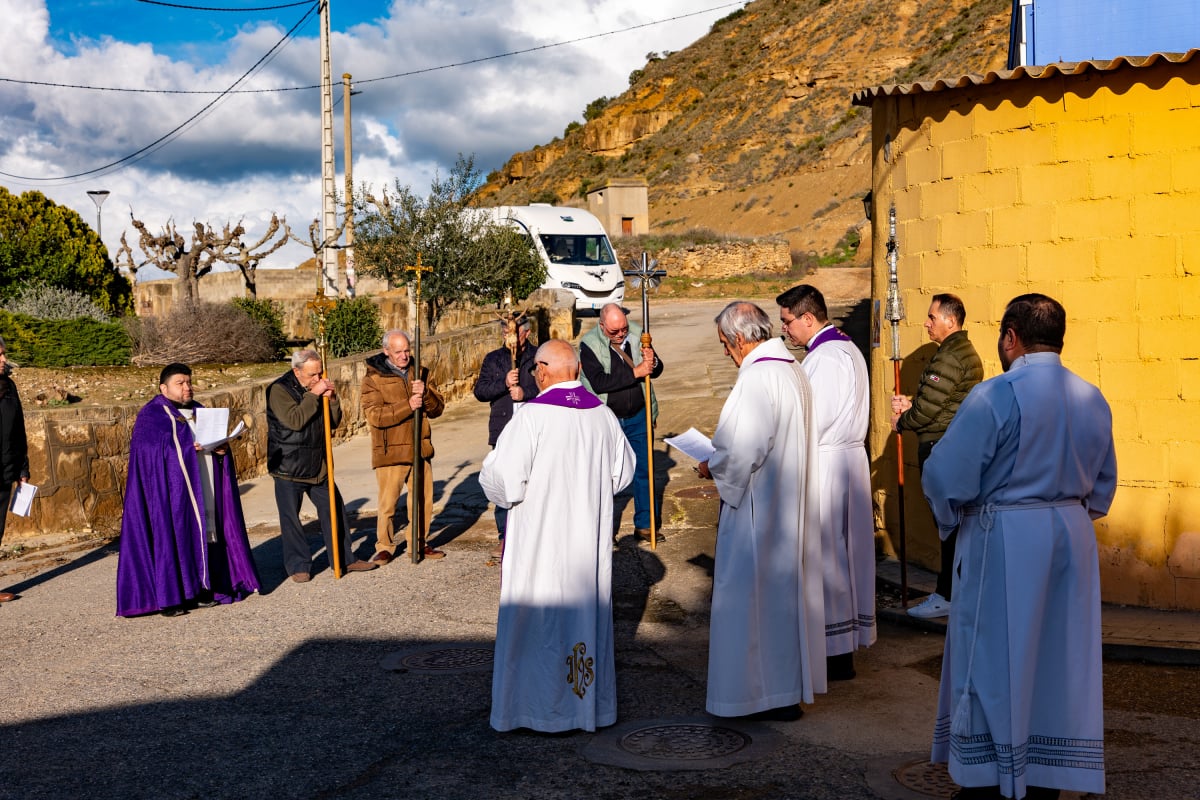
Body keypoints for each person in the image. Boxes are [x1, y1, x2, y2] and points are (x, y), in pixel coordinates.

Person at [923, 294, 1116, 800]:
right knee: (1059, 659)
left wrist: (955, 522)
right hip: (1071, 539)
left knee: (995, 656)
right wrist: (1066, 513)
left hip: (1007, 538)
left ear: (1011, 337)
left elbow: (946, 476)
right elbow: (1103, 487)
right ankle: (1045, 772)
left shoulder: (997, 395)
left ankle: (993, 778)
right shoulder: (1092, 397)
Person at [481, 339, 635, 733]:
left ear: (544, 370)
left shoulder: (532, 417)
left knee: (540, 620)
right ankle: (585, 709)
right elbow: (623, 475)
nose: (535, 375)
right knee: (581, 620)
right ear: (579, 370)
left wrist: (490, 468)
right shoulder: (602, 415)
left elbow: (505, 484)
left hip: (542, 544)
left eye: (536, 370)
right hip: (587, 544)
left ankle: (537, 710)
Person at [697, 302, 825, 719]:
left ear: (737, 339)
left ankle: (751, 697)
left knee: (747, 601)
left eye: (723, 344)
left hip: (759, 509)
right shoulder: (792, 369)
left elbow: (738, 451)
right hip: (788, 504)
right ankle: (784, 693)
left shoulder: (757, 378)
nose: (725, 353)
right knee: (780, 603)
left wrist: (710, 464)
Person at [777, 284, 874, 681]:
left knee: (830, 557)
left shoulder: (826, 358)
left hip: (829, 462)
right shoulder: (846, 348)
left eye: (787, 322)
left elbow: (814, 419)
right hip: (847, 459)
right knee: (845, 554)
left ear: (807, 317)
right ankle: (841, 644)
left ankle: (835, 651)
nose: (784, 331)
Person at [116, 363, 260, 617]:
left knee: (206, 534)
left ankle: (203, 590)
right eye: (180, 383)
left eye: (189, 382)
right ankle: (172, 598)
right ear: (164, 387)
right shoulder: (151, 416)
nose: (187, 387)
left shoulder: (200, 410)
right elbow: (148, 454)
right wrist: (184, 450)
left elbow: (212, 442)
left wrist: (221, 450)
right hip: (170, 495)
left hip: (203, 485)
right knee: (174, 538)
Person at [891, 293, 984, 619]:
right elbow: (938, 401)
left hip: (940, 447)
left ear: (950, 320)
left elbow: (929, 410)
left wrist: (903, 420)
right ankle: (957, 590)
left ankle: (947, 594)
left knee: (948, 527)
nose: (927, 323)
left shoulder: (948, 358)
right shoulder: (958, 353)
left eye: (932, 317)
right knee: (955, 527)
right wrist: (913, 405)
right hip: (954, 444)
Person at [267, 349, 378, 581]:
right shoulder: (279, 390)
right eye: (312, 375)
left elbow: (333, 422)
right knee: (291, 519)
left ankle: (345, 558)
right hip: (289, 465)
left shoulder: (315, 388)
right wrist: (314, 395)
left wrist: (333, 399)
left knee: (334, 510)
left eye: (320, 373)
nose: (318, 379)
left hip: (318, 463)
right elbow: (295, 421)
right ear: (296, 372)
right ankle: (299, 566)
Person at [579, 303, 664, 544]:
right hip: (608, 419)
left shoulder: (638, 334)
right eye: (614, 331)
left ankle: (646, 525)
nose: (621, 334)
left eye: (623, 329)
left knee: (644, 470)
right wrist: (636, 372)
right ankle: (603, 531)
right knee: (605, 476)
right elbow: (599, 382)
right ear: (602, 326)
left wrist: (652, 362)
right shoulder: (588, 345)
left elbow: (656, 370)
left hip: (638, 414)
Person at [362, 330, 446, 564]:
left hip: (420, 448)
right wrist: (407, 405)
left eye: (407, 350)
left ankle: (418, 542)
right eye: (398, 352)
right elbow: (375, 416)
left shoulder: (420, 372)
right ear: (386, 351)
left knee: (423, 501)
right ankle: (385, 546)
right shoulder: (373, 378)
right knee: (388, 504)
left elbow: (438, 409)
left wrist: (425, 394)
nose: (404, 356)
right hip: (391, 451)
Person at [473, 316, 538, 557]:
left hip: (533, 426)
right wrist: (504, 382)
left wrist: (526, 391)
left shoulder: (538, 356)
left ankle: (531, 535)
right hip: (503, 428)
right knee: (504, 483)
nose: (509, 339)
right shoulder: (494, 359)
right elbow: (480, 391)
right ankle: (505, 535)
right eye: (505, 334)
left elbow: (548, 387)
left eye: (514, 334)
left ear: (526, 334)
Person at [0, 337, 29, 605]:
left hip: (4, 470)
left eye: (3, 354)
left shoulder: (9, 387)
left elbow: (18, 429)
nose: (3, 360)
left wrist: (22, 467)